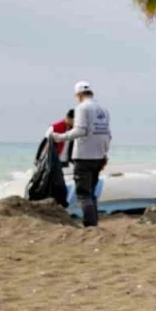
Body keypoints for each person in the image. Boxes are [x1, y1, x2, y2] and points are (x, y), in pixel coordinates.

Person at [51, 81, 112, 228]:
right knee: (91, 193)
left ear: (78, 95)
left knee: (83, 194)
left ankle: (90, 225)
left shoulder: (82, 108)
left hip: (84, 156)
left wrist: (60, 137)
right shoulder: (104, 110)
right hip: (99, 157)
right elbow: (108, 135)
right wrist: (104, 153)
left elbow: (80, 130)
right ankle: (94, 224)